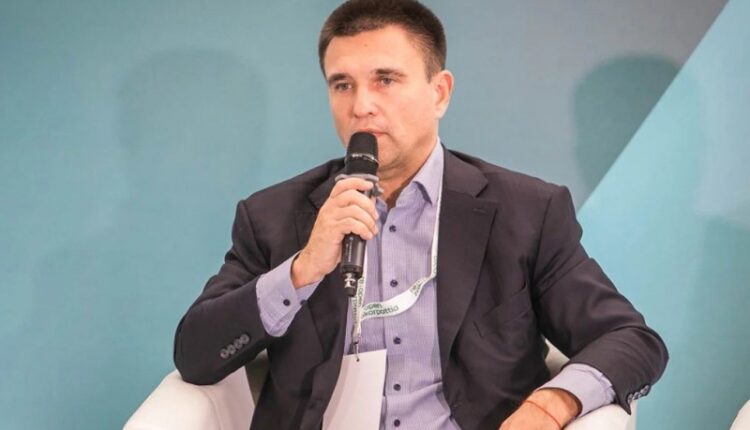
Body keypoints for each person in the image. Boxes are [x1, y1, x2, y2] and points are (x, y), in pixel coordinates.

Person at [173, 1, 668, 429]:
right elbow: (196, 356)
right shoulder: (273, 216)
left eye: (385, 80)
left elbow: (630, 339)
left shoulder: (526, 212)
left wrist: (549, 406)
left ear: (440, 92)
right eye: (342, 85)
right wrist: (302, 270)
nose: (362, 106)